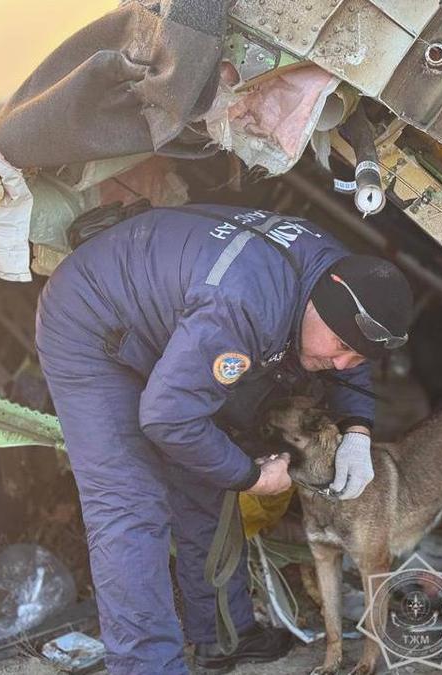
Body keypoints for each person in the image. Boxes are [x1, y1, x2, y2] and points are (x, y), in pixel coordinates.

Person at [34, 204, 414, 674]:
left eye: (356, 357)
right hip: (91, 322)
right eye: (340, 348)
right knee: (128, 504)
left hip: (169, 317)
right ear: (316, 305)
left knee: (203, 474)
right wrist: (251, 475)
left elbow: (349, 359)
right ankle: (147, 667)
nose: (342, 365)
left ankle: (222, 638)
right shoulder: (245, 308)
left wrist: (358, 428)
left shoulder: (341, 278)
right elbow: (168, 418)